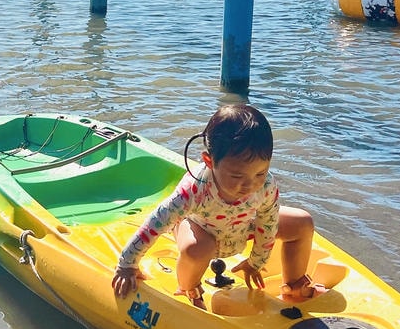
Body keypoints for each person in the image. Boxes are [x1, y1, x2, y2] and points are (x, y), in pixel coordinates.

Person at [111, 104, 327, 310]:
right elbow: (156, 223)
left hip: (243, 227)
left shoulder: (265, 185)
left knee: (302, 223)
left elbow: (268, 222)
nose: (249, 185)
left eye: (260, 173)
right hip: (201, 227)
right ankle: (189, 289)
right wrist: (127, 264)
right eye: (236, 175)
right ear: (209, 161)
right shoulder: (194, 190)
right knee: (197, 250)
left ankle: (295, 285)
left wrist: (255, 262)